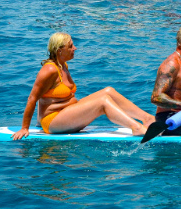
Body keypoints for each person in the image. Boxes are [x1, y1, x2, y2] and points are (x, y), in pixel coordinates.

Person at [11, 33, 155, 139]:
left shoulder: (63, 65)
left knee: (108, 91)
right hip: (53, 122)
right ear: (60, 50)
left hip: (66, 113)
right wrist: (25, 128)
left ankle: (148, 119)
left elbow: (47, 97)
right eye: (71, 46)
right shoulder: (49, 70)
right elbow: (32, 98)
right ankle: (136, 128)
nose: (75, 48)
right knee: (103, 102)